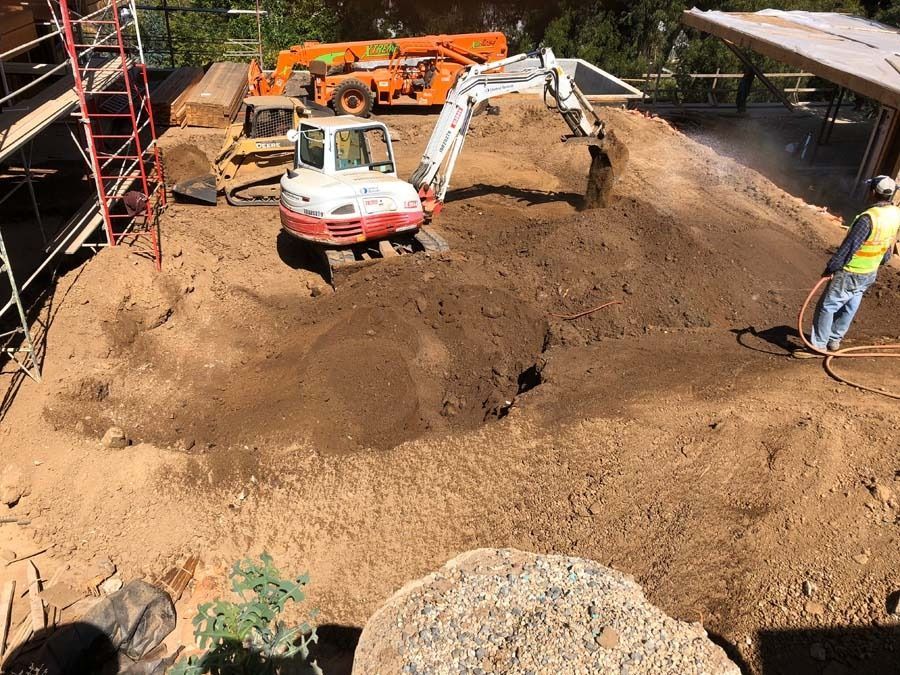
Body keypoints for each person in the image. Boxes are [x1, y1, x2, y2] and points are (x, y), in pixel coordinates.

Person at [795, 175, 900, 358]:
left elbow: (849, 247)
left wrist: (832, 267)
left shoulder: (868, 218)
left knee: (827, 306)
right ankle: (834, 340)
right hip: (870, 270)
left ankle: (818, 346)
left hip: (851, 270)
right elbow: (888, 242)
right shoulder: (895, 214)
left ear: (873, 192)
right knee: (851, 304)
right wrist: (882, 260)